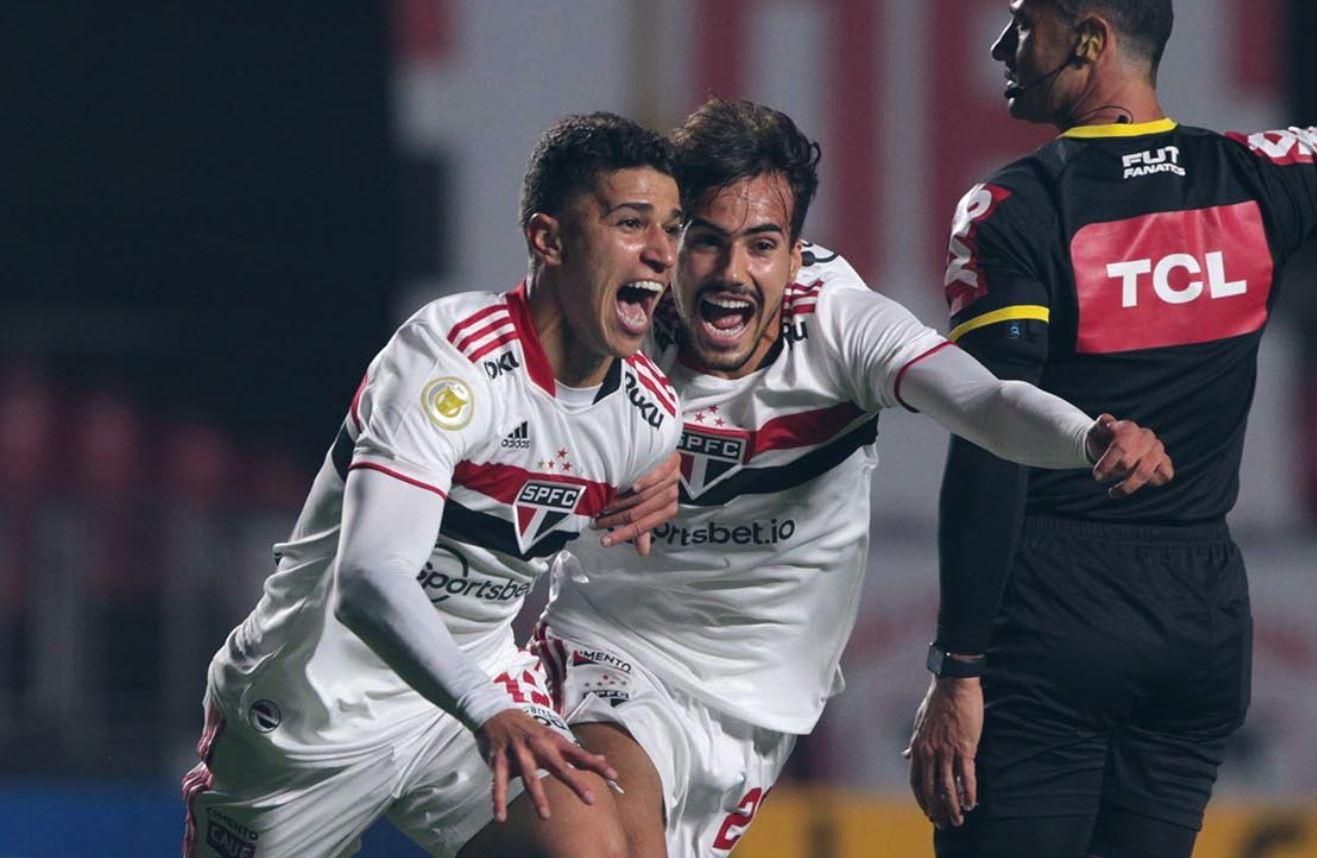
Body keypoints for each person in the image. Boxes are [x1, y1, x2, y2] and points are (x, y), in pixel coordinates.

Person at [532, 97, 1173, 858]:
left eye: (761, 245)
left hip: (762, 698)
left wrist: (1084, 435)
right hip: (611, 642)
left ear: (796, 255)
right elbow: (513, 433)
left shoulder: (840, 325)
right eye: (705, 243)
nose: (731, 274)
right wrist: (620, 447)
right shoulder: (610, 314)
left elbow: (985, 403)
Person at [180, 112, 687, 858]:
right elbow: (368, 578)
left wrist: (673, 476)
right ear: (548, 239)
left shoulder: (649, 418)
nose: (659, 252)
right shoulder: (451, 358)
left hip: (470, 691)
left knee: (592, 843)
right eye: (629, 223)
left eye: (671, 229)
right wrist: (488, 709)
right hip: (313, 707)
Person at [905, 2, 1317, 857]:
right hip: (1201, 618)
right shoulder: (1257, 176)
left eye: (1022, 25)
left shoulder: (1013, 206)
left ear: (1089, 40)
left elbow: (990, 432)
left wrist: (959, 664)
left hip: (1052, 616)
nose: (999, 48)